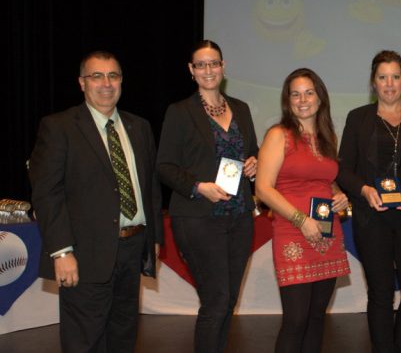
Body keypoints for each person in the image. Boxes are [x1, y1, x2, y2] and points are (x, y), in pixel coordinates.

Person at [28, 50, 163, 353]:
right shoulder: (59, 126)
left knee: (123, 336)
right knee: (84, 342)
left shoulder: (139, 127)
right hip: (83, 254)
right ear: (81, 82)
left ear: (121, 81)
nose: (106, 83)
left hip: (132, 250)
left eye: (113, 75)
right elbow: (47, 194)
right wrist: (62, 252)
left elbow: (150, 187)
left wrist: (152, 239)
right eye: (96, 76)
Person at [156, 40, 259, 353]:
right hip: (198, 218)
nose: (208, 70)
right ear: (191, 70)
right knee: (215, 302)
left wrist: (255, 162)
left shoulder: (240, 108)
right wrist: (199, 186)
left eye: (214, 63)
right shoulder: (179, 112)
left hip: (240, 217)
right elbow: (164, 167)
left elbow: (251, 152)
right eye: (201, 64)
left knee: (227, 301)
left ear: (223, 66)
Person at [336, 50, 401, 353]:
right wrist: (364, 190)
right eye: (382, 77)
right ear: (373, 83)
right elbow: (342, 168)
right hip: (371, 218)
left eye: (395, 77)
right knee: (381, 294)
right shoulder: (358, 118)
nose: (389, 84)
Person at [255, 68, 352, 353]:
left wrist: (340, 196)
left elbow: (325, 179)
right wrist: (301, 220)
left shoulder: (326, 137)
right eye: (295, 94)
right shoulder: (278, 135)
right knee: (296, 319)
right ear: (288, 101)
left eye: (309, 92)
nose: (302, 99)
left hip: (326, 232)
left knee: (316, 318)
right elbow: (263, 188)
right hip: (292, 231)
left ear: (320, 98)